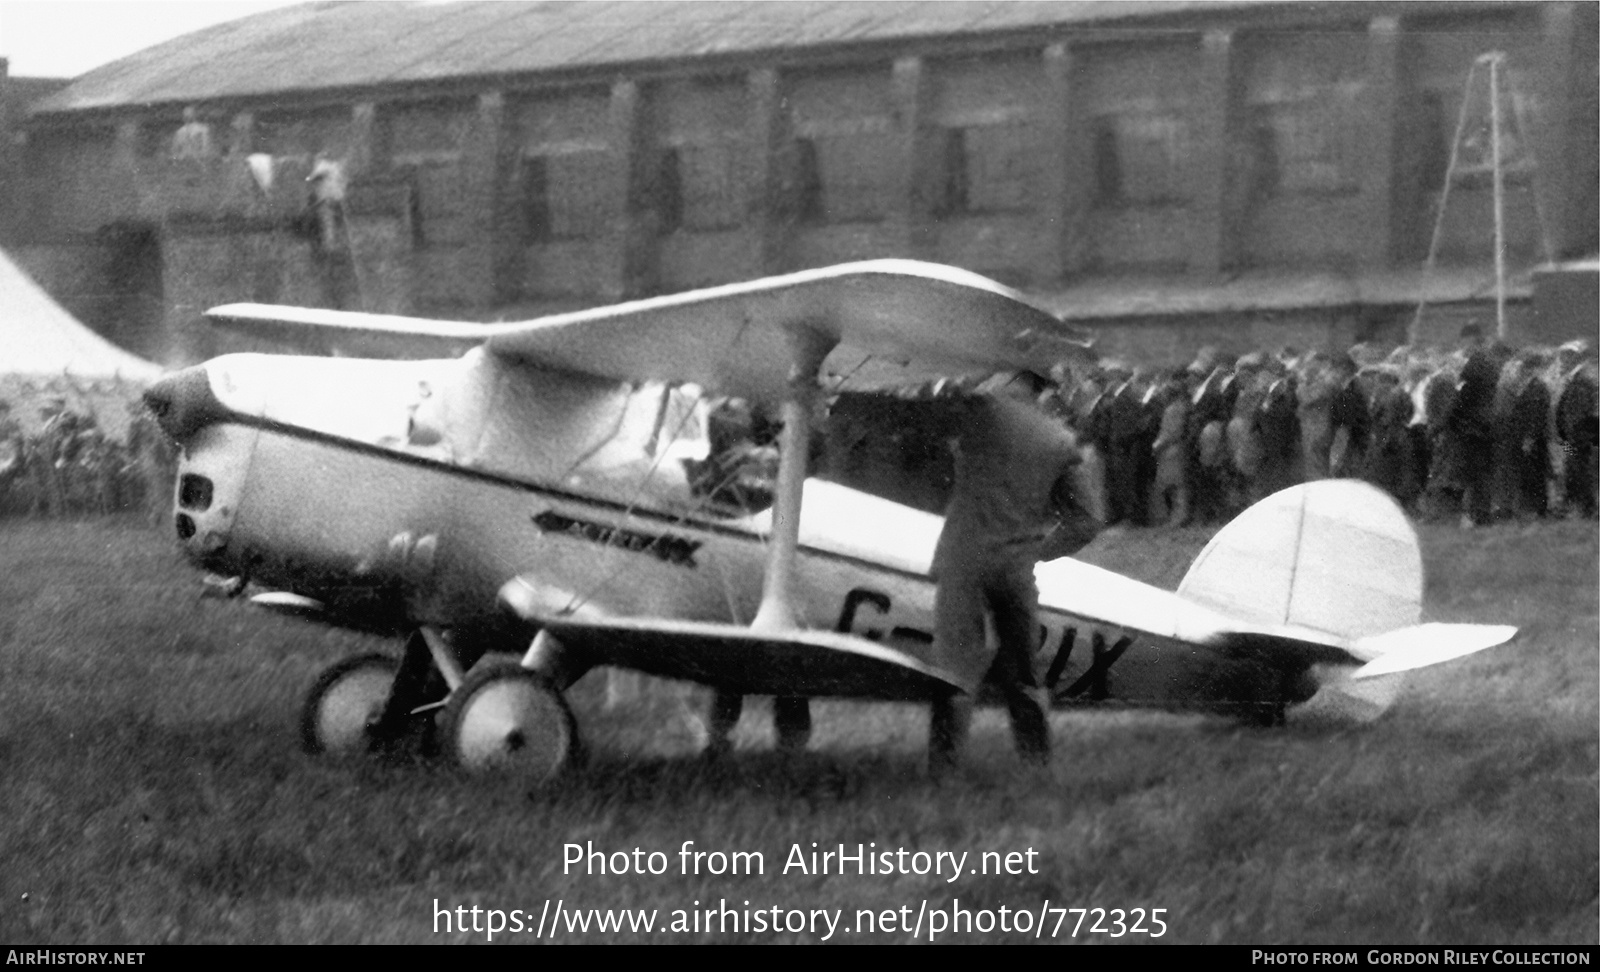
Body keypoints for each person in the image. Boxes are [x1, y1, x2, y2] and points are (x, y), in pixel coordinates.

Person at [927, 371, 1095, 776]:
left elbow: (918, 421)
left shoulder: (980, 411)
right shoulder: (1059, 438)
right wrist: (1036, 551)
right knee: (1023, 675)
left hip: (964, 560)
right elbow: (1087, 521)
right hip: (1016, 568)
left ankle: (944, 774)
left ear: (1009, 376)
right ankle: (1036, 768)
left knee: (954, 668)